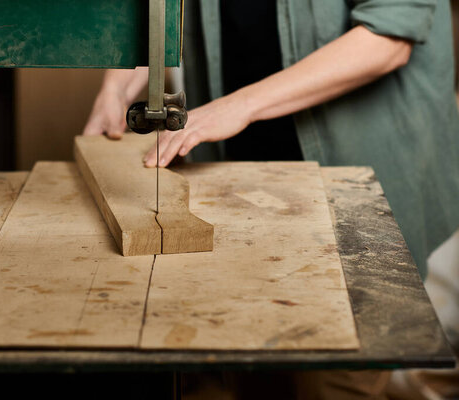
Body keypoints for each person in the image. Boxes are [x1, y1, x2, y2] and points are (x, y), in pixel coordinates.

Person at [84, 1, 459, 396]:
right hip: (241, 188)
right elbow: (158, 10)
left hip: (357, 190)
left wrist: (238, 106)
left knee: (332, 382)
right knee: (255, 373)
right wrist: (116, 87)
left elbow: (388, 38)